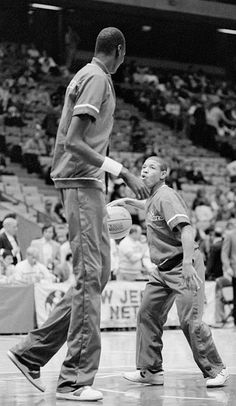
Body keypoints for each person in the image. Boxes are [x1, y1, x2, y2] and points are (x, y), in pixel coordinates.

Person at [7, 27, 149, 402]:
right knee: (90, 277)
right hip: (80, 179)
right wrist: (124, 172)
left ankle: (31, 353)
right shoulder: (97, 78)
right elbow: (73, 140)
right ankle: (74, 380)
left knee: (99, 273)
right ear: (119, 50)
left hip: (89, 184)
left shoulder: (91, 76)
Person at [108, 156, 228, 388]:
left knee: (190, 322)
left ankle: (217, 370)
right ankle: (151, 370)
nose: (144, 171)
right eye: (142, 167)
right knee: (147, 314)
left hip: (183, 265)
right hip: (161, 270)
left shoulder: (167, 196)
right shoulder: (154, 198)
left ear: (164, 174)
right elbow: (147, 206)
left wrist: (187, 264)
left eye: (151, 167)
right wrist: (126, 200)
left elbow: (186, 229)